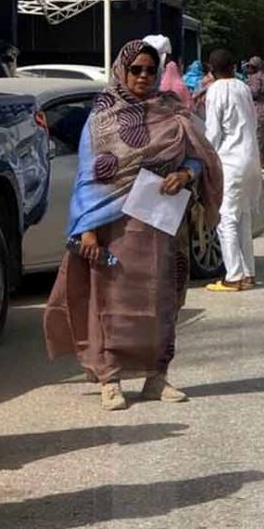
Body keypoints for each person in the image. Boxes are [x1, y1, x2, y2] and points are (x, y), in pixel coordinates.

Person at [45, 42, 223, 410]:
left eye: (150, 70)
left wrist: (184, 174)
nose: (143, 76)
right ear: (121, 71)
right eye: (136, 69)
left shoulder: (171, 111)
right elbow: (88, 175)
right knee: (111, 303)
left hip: (162, 228)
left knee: (161, 301)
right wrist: (87, 229)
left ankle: (156, 377)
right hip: (114, 227)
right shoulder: (103, 116)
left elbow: (199, 157)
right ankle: (109, 379)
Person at [203, 49, 264, 291]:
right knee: (243, 218)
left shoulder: (215, 90)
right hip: (251, 158)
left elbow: (213, 131)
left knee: (226, 218)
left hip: (230, 161)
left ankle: (234, 276)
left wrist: (205, 157)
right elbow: (253, 121)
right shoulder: (243, 87)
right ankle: (248, 273)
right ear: (233, 67)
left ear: (211, 69)